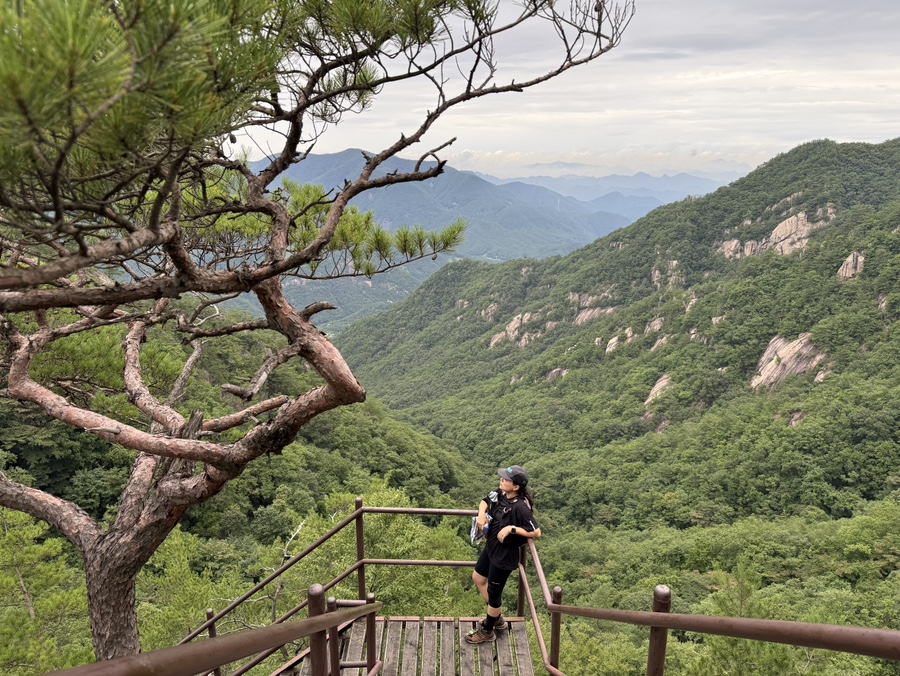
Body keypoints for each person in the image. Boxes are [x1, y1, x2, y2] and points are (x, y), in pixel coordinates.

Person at [466, 464, 541, 644]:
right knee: (478, 577)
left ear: (516, 487)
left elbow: (536, 532)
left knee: (494, 594)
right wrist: (482, 513)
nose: (501, 480)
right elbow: (485, 500)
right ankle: (497, 618)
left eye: (506, 479)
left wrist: (511, 528)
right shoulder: (501, 494)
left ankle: (488, 630)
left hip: (504, 556)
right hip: (492, 548)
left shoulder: (520, 506)